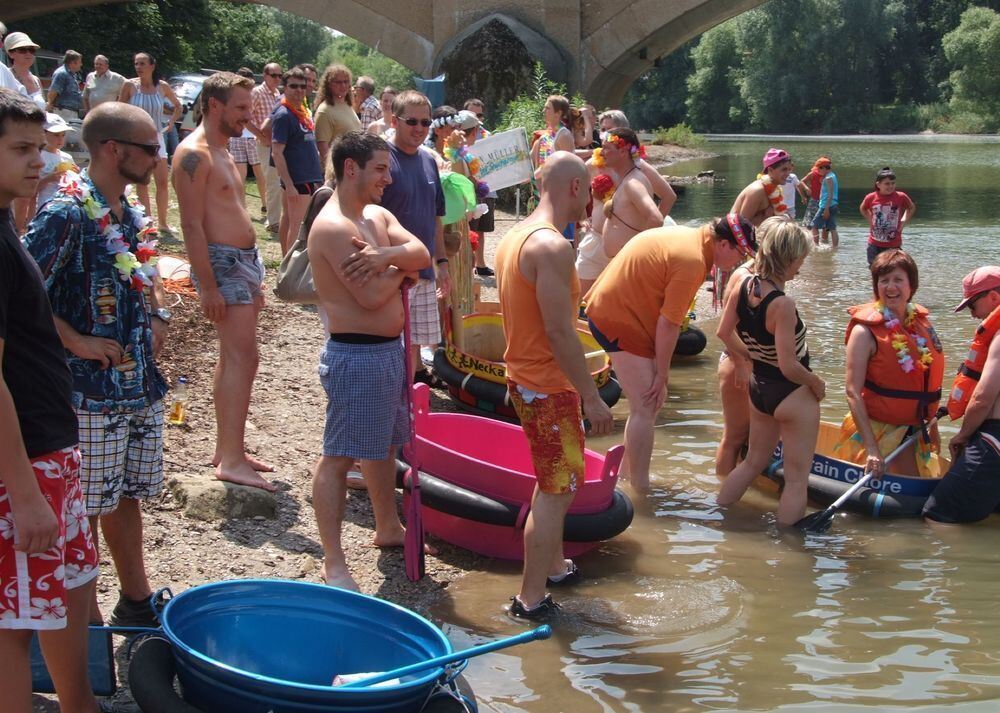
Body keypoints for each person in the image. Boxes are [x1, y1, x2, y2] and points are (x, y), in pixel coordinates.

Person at [24, 101, 169, 629]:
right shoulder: (65, 211)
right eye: (151, 147)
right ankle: (69, 629)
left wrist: (159, 315)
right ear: (113, 149)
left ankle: (136, 601)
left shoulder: (128, 214)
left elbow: (142, 279)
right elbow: (21, 292)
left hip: (136, 386)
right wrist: (77, 341)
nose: (160, 156)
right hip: (85, 393)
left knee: (126, 496)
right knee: (78, 510)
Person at [0, 87, 103, 713]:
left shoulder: (9, 225)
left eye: (41, 148)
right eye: (19, 150)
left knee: (69, 584)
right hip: (26, 458)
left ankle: (79, 704)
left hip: (49, 449)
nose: (37, 161)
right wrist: (26, 493)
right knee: (14, 619)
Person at [308, 131, 431, 590]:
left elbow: (422, 251)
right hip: (355, 356)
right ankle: (333, 561)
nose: (389, 175)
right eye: (380, 168)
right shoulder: (335, 226)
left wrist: (388, 258)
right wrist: (401, 269)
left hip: (387, 354)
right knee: (339, 455)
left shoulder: (376, 215)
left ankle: (387, 527)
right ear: (351, 168)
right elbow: (373, 297)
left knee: (385, 445)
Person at [495, 151, 614, 620]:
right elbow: (559, 332)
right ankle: (529, 598)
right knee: (556, 490)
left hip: (523, 378)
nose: (589, 201)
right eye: (587, 190)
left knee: (552, 482)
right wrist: (591, 397)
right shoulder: (551, 247)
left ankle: (557, 565)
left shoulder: (515, 237)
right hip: (547, 387)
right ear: (575, 188)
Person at [585, 214, 758, 490]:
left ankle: (625, 475)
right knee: (647, 404)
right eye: (740, 254)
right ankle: (640, 490)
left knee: (646, 405)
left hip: (619, 309)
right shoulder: (692, 260)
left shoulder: (691, 239)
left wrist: (657, 371)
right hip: (616, 317)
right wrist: (662, 375)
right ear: (724, 244)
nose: (738, 262)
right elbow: (669, 324)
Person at [173, 72, 275, 492]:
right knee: (242, 358)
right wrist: (209, 286)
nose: (247, 116)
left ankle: (227, 448)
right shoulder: (192, 155)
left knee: (232, 357)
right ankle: (231, 459)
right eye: (240, 108)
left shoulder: (226, 150)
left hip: (245, 261)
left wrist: (254, 275)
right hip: (221, 263)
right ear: (214, 105)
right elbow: (192, 226)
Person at [716, 216, 824, 526]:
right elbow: (790, 366)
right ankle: (788, 545)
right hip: (791, 393)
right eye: (800, 259)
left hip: (759, 389)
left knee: (751, 463)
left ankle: (719, 513)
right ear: (788, 258)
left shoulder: (743, 283)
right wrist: (815, 382)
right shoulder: (783, 304)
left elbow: (724, 333)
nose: (801, 266)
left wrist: (754, 356)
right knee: (795, 479)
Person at [834, 249, 944, 478]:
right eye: (883, 280)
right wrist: (872, 448)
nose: (890, 287)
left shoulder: (921, 325)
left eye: (898, 280)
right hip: (879, 430)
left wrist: (932, 427)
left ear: (911, 286)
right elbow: (852, 391)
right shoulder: (864, 332)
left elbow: (924, 383)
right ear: (876, 287)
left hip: (915, 428)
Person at [379, 90, 449, 383]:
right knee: (391, 341)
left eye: (425, 122)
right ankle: (395, 400)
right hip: (392, 272)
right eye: (412, 121)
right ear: (394, 120)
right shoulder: (381, 159)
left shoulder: (428, 160)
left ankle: (409, 400)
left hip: (423, 270)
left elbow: (435, 217)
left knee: (416, 340)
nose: (420, 128)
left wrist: (442, 262)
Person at [922, 266, 1000, 524]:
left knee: (938, 514)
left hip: (995, 439)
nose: (973, 316)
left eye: (972, 307)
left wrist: (964, 435)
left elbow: (982, 398)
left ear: (994, 298)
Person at [118, 52, 182, 232]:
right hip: (136, 139)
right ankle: (147, 222)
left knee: (162, 181)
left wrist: (170, 122)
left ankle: (163, 223)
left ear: (152, 66)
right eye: (136, 64)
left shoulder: (162, 87)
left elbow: (178, 106)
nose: (138, 67)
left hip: (156, 137)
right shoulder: (130, 85)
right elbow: (120, 109)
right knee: (142, 182)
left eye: (142, 63)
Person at [271, 66, 324, 255]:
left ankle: (287, 264)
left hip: (308, 177)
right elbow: (277, 152)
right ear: (285, 87)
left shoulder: (301, 110)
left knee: (293, 221)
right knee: (299, 224)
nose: (299, 90)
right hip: (298, 180)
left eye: (303, 86)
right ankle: (290, 269)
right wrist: (289, 184)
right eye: (294, 86)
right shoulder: (284, 114)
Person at [598, 128, 662, 259]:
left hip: (629, 263)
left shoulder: (633, 183)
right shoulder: (627, 179)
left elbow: (656, 219)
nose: (601, 153)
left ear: (622, 151)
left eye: (606, 148)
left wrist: (635, 252)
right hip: (620, 261)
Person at [250, 62, 283, 233]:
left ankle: (275, 219)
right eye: (274, 75)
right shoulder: (257, 92)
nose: (277, 79)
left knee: (278, 181)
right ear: (265, 75)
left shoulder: (277, 93)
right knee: (272, 182)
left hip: (277, 144)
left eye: (280, 75)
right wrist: (260, 135)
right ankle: (272, 221)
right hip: (265, 145)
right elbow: (245, 117)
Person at [860, 167, 916, 266]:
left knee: (892, 269)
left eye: (893, 183)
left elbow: (911, 207)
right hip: (874, 243)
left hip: (893, 243)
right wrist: (870, 220)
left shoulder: (901, 196)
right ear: (878, 184)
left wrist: (903, 222)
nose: (890, 186)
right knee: (875, 270)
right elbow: (863, 208)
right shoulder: (871, 197)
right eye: (887, 184)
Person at [731, 147, 793, 226]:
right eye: (784, 169)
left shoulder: (775, 189)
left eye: (789, 169)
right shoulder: (757, 190)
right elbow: (740, 226)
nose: (788, 173)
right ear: (770, 170)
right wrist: (766, 216)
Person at [314, 64, 360, 167]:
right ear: (329, 84)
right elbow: (323, 149)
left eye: (346, 82)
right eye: (338, 82)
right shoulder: (325, 110)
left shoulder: (348, 106)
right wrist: (335, 174)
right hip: (338, 171)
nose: (343, 86)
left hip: (352, 168)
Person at [35, 112, 78, 211]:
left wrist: (75, 176)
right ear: (43, 133)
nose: (60, 139)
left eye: (63, 135)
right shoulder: (38, 156)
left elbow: (74, 187)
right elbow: (28, 191)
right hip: (43, 209)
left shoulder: (67, 157)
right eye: (56, 135)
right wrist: (49, 179)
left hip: (64, 208)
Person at [226, 67, 261, 189]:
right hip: (237, 136)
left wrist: (259, 135)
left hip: (252, 137)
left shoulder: (255, 93)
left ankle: (265, 205)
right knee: (240, 175)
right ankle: (241, 204)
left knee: (259, 173)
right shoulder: (232, 95)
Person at [46, 50, 83, 121]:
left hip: (70, 112)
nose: (81, 64)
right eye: (80, 62)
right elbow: (53, 91)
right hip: (63, 112)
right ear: (72, 63)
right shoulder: (62, 73)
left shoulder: (71, 74)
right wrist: (50, 104)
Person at [811, 158, 839, 246]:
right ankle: (835, 248)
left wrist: (826, 209)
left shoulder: (828, 178)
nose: (817, 171)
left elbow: (830, 195)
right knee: (832, 228)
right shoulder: (832, 175)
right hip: (833, 205)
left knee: (814, 226)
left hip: (826, 206)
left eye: (819, 169)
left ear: (824, 168)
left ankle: (815, 246)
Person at [799, 156, 829, 239]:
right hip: (814, 200)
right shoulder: (813, 174)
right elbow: (801, 182)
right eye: (823, 167)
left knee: (825, 225)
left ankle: (824, 242)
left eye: (828, 167)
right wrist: (806, 188)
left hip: (825, 202)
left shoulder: (829, 175)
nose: (826, 169)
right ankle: (808, 241)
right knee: (808, 223)